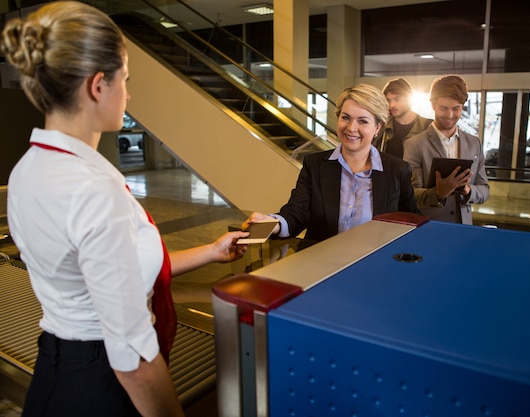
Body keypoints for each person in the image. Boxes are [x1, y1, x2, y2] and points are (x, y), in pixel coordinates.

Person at [1, 2, 248, 416]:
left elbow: (117, 272)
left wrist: (211, 251)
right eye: (125, 80)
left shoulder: (29, 169)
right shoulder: (93, 188)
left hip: (55, 373)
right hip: (103, 390)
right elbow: (133, 358)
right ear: (99, 85)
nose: (129, 94)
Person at [243, 84, 418, 245]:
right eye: (346, 118)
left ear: (378, 127)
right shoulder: (315, 165)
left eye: (363, 121)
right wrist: (270, 223)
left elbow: (410, 222)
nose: (351, 128)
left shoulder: (397, 170)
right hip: (321, 267)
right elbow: (297, 212)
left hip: (375, 268)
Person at [403, 75, 489, 224]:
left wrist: (468, 190)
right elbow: (409, 194)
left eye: (456, 109)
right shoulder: (414, 144)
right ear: (433, 105)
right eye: (443, 108)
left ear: (463, 106)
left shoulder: (474, 143)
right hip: (429, 228)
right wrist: (438, 193)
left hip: (463, 229)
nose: (449, 115)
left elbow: (484, 190)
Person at [374, 78, 432, 158]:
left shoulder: (427, 126)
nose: (391, 105)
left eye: (397, 99)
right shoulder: (385, 126)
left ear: (409, 99)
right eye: (388, 100)